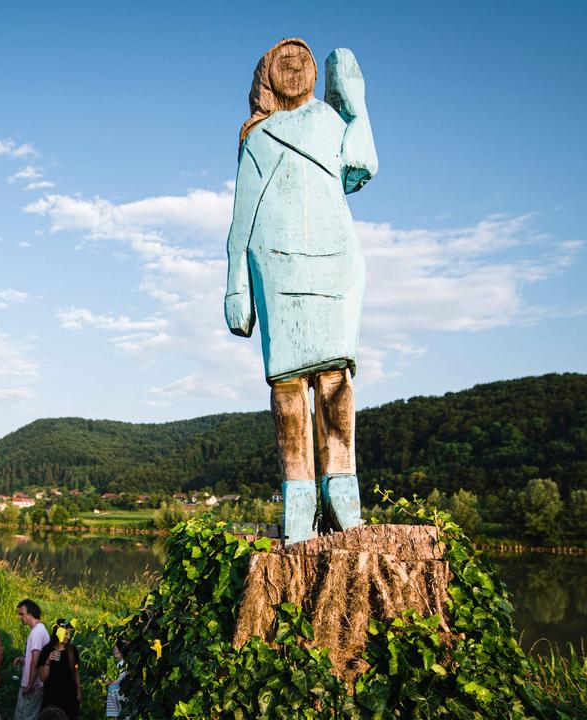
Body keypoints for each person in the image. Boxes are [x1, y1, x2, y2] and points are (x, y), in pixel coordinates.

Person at [224, 40, 378, 541]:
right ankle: (298, 493)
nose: (293, 68)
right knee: (288, 388)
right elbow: (240, 222)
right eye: (281, 62)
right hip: (277, 266)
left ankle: (342, 484)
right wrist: (236, 287)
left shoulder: (332, 124)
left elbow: (362, 166)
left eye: (301, 61)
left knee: (336, 381)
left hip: (335, 260)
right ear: (266, 76)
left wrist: (352, 97)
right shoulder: (258, 139)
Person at [37, 619, 81, 720]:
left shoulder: (72, 650)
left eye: (70, 633)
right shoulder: (47, 650)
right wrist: (48, 660)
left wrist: (78, 693)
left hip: (69, 699)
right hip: (52, 698)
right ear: (58, 632)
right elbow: (42, 677)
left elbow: (76, 673)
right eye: (66, 633)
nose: (69, 637)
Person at [13, 599, 50, 720]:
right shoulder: (38, 631)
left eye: (22, 614)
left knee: (25, 716)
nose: (20, 617)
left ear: (30, 614)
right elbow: (33, 658)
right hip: (34, 684)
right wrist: (23, 659)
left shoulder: (37, 632)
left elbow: (35, 661)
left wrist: (29, 685)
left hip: (34, 686)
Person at [104, 641, 126, 719]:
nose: (114, 650)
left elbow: (123, 679)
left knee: (112, 688)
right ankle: (115, 716)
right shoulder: (117, 665)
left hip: (123, 695)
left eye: (116, 648)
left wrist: (115, 682)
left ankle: (115, 716)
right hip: (117, 695)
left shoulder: (127, 664)